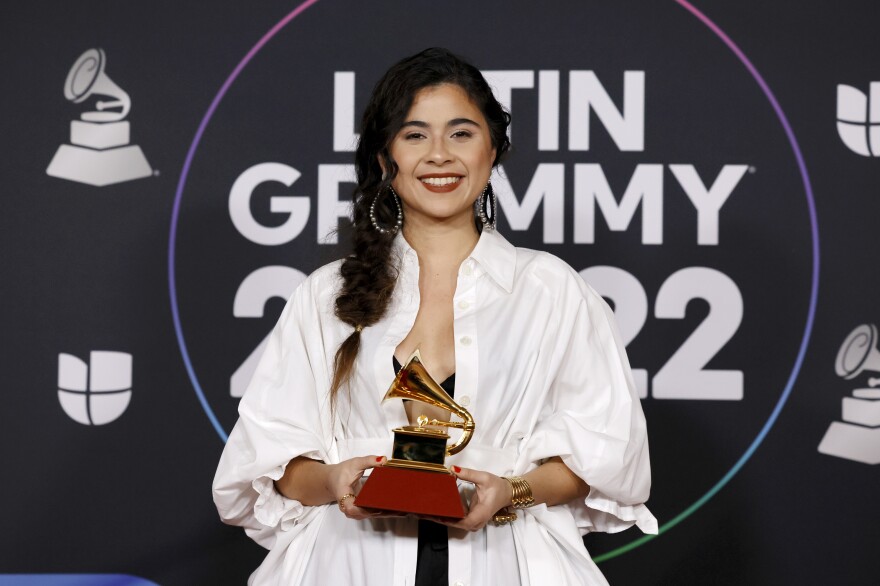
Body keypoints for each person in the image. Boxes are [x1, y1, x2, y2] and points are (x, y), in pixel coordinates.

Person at [213, 47, 657, 586]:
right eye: (415, 134)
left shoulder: (552, 290)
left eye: (462, 133)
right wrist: (334, 481)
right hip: (345, 565)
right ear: (385, 158)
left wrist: (513, 490)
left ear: (492, 151)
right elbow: (268, 466)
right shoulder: (325, 295)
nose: (439, 155)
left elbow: (606, 455)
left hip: (509, 565)